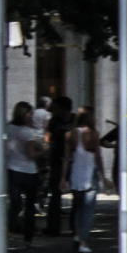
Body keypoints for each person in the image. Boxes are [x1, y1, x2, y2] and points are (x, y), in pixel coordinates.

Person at [63, 109, 108, 253]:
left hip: (75, 175)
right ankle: (83, 242)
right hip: (89, 175)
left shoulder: (70, 135)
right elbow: (98, 157)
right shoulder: (94, 135)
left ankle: (77, 234)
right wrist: (103, 176)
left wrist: (63, 178)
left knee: (77, 207)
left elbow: (66, 159)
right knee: (88, 210)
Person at [5, 101, 45, 247]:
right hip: (28, 171)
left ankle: (4, 231)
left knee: (15, 205)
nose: (32, 116)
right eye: (30, 113)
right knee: (29, 206)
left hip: (12, 169)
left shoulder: (8, 128)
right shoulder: (27, 132)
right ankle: (28, 238)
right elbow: (31, 154)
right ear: (24, 114)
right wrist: (43, 150)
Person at [43, 96, 74, 235]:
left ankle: (76, 227)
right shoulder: (54, 121)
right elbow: (48, 138)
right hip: (57, 160)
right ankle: (53, 227)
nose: (53, 111)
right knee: (55, 193)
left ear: (64, 108)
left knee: (77, 193)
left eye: (56, 108)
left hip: (73, 160)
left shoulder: (75, 120)